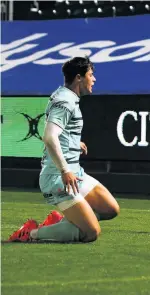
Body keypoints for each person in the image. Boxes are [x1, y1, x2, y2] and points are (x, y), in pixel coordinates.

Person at [8, 57, 120, 243]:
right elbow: (49, 136)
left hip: (75, 172)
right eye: (91, 75)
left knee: (110, 209)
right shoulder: (65, 101)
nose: (94, 80)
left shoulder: (65, 96)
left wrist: (74, 143)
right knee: (91, 233)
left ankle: (61, 224)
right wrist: (64, 170)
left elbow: (60, 132)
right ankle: (30, 234)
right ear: (78, 78)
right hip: (59, 177)